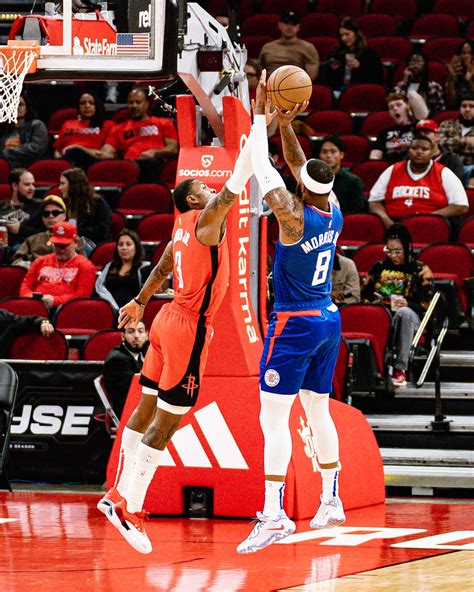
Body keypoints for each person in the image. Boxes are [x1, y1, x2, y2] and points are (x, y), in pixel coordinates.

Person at [96, 120, 256, 554]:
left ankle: (117, 492)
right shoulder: (204, 222)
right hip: (188, 327)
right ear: (193, 199)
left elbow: (164, 264)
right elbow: (230, 193)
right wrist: (255, 140)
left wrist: (140, 302)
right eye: (202, 187)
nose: (209, 188)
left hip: (165, 319)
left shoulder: (180, 225)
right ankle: (130, 505)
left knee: (146, 405)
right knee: (166, 423)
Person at [238, 72, 345, 555]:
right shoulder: (334, 207)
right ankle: (332, 499)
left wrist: (261, 114)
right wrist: (286, 124)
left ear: (299, 188)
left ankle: (275, 513)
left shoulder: (293, 216)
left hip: (296, 322)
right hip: (328, 318)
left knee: (273, 417)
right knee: (318, 410)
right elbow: (302, 166)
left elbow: (263, 167)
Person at [361, 224, 434, 387]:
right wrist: (374, 303)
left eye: (398, 251)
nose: (393, 256)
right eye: (389, 250)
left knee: (404, 313)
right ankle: (371, 367)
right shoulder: (378, 268)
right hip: (383, 313)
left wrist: (409, 303)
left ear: (407, 248)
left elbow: (427, 305)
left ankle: (400, 369)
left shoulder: (420, 270)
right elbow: (364, 296)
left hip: (412, 317)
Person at [368, 135, 469, 228]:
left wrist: (428, 218)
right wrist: (386, 220)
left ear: (432, 152)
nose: (419, 152)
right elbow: (374, 201)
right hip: (394, 223)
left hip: (431, 224)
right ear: (408, 150)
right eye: (414, 148)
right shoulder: (393, 170)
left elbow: (461, 206)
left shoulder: (444, 172)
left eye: (424, 149)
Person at [102, 87, 179, 182]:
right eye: (131, 102)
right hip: (129, 166)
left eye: (138, 102)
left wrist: (154, 152)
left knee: (149, 164)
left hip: (154, 164)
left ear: (146, 104)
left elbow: (173, 148)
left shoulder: (163, 123)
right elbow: (105, 152)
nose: (134, 106)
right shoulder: (118, 128)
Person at [19, 221, 97, 310]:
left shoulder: (85, 265)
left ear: (75, 243)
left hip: (66, 309)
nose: (60, 250)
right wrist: (32, 299)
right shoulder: (40, 261)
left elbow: (82, 295)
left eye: (64, 246)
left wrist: (55, 301)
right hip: (34, 306)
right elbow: (25, 286)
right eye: (57, 245)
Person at [11, 195, 84, 268]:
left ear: (64, 216)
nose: (50, 216)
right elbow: (16, 260)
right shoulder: (32, 240)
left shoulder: (74, 240)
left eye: (55, 213)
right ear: (42, 218)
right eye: (46, 214)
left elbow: (82, 264)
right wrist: (26, 265)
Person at [95, 229, 152, 313]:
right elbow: (99, 289)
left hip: (133, 314)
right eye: (120, 245)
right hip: (110, 312)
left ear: (136, 247)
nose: (124, 248)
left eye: (128, 244)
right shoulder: (109, 266)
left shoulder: (144, 268)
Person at [324, 17, 383, 92]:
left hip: (361, 90)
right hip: (338, 89)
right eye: (341, 35)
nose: (344, 38)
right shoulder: (336, 52)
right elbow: (328, 77)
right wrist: (334, 68)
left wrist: (360, 67)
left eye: (347, 34)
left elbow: (377, 78)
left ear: (356, 34)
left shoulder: (369, 53)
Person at [103, 321, 149, 418]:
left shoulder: (144, 353)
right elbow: (136, 391)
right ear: (123, 336)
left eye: (140, 331)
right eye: (131, 331)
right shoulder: (117, 360)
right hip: (129, 414)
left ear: (147, 335)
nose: (136, 336)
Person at [259, 10, 319, 81]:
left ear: (298, 27)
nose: (289, 27)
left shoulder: (308, 48)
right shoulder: (267, 47)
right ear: (279, 25)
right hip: (270, 87)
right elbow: (259, 73)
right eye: (286, 23)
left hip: (297, 87)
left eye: (294, 24)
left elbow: (311, 77)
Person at [59, 167, 112, 248]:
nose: (59, 187)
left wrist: (76, 230)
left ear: (74, 185)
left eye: (63, 184)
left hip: (93, 245)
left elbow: (102, 232)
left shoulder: (98, 203)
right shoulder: (64, 203)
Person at [53, 92, 114, 160]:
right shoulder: (67, 124)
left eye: (91, 103)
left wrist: (78, 148)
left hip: (93, 161)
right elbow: (58, 150)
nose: (87, 106)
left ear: (97, 105)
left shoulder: (108, 125)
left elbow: (108, 155)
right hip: (68, 160)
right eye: (82, 103)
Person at [369, 92, 429, 162]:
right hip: (392, 168)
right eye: (391, 107)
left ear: (407, 107)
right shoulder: (384, 133)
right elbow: (375, 156)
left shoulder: (418, 127)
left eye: (399, 105)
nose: (395, 108)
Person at [316, 135, 366, 214]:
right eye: (324, 152)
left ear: (341, 155)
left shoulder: (353, 181)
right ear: (319, 156)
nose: (328, 155)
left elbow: (358, 210)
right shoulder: (313, 180)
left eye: (333, 151)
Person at [0, 91, 48, 168]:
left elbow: (35, 149)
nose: (16, 107)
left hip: (28, 165)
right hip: (7, 163)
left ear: (27, 109)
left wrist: (5, 153)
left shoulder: (37, 125)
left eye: (20, 105)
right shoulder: (4, 127)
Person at [0, 168, 42, 251]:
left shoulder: (40, 206)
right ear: (15, 186)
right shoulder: (1, 206)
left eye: (33, 184)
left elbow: (46, 233)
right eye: (27, 185)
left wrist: (21, 229)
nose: (32, 188)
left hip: (25, 249)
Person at [394, 52, 446, 116]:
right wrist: (404, 81)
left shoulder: (434, 86)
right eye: (413, 62)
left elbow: (440, 111)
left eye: (419, 62)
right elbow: (394, 104)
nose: (415, 65)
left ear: (425, 65)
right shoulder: (401, 85)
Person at [415, 119, 465, 184]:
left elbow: (456, 186)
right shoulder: (410, 158)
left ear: (437, 136)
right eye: (419, 134)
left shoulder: (452, 160)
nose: (422, 137)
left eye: (426, 133)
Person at [439, 94, 474, 187]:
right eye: (464, 106)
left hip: (470, 169)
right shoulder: (447, 124)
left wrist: (453, 144)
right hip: (446, 166)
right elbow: (439, 142)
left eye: (471, 106)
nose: (467, 109)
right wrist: (465, 141)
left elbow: (446, 143)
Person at [445, 41, 474, 109]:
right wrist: (450, 80)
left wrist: (470, 81)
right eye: (463, 53)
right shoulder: (454, 71)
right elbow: (451, 103)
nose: (467, 56)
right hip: (458, 109)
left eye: (471, 53)